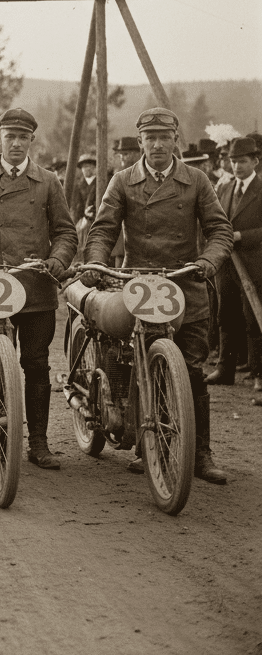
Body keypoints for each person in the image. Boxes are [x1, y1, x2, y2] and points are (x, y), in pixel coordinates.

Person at [83, 107, 233, 484]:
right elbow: (102, 230)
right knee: (139, 362)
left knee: (193, 372)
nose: (158, 145)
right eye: (150, 138)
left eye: (165, 137)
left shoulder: (196, 180)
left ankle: (201, 453)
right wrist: (98, 263)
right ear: (140, 143)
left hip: (187, 287)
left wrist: (207, 261)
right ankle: (144, 443)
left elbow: (220, 231)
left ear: (175, 141)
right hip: (141, 286)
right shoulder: (122, 181)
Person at [0, 108, 78, 470]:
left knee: (37, 365)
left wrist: (58, 259)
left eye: (23, 137)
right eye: (10, 137)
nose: (16, 144)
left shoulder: (48, 182)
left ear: (31, 142)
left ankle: (38, 443)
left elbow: (66, 232)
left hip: (36, 288)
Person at [207, 137, 262, 392]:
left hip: (254, 264)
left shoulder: (260, 189)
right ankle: (224, 369)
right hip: (226, 263)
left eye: (242, 161)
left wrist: (243, 236)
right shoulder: (225, 188)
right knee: (225, 315)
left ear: (255, 161)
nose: (237, 166)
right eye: (233, 161)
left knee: (253, 319)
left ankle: (258, 373)